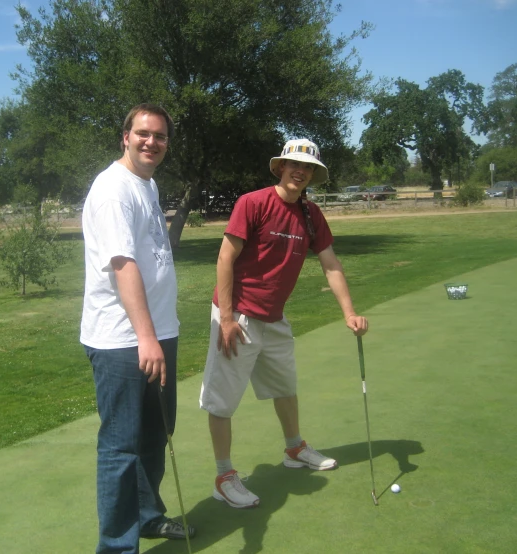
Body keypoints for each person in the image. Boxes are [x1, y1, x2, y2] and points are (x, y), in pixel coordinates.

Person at [199, 138, 369, 509]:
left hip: (274, 318)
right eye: (294, 164)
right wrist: (226, 318)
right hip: (238, 315)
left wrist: (349, 312)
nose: (300, 171)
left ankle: (294, 450)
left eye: (307, 167)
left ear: (313, 174)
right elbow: (225, 258)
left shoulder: (310, 214)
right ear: (280, 167)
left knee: (285, 388)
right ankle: (224, 476)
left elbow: (331, 264)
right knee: (223, 402)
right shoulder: (253, 203)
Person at [80, 103, 195, 553]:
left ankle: (148, 517)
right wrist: (146, 337)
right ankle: (116, 546)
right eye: (143, 133)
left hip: (157, 333)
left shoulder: (146, 183)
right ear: (125, 136)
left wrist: (158, 334)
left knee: (154, 435)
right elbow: (123, 264)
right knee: (120, 448)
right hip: (123, 340)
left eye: (161, 136)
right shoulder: (113, 190)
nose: (152, 142)